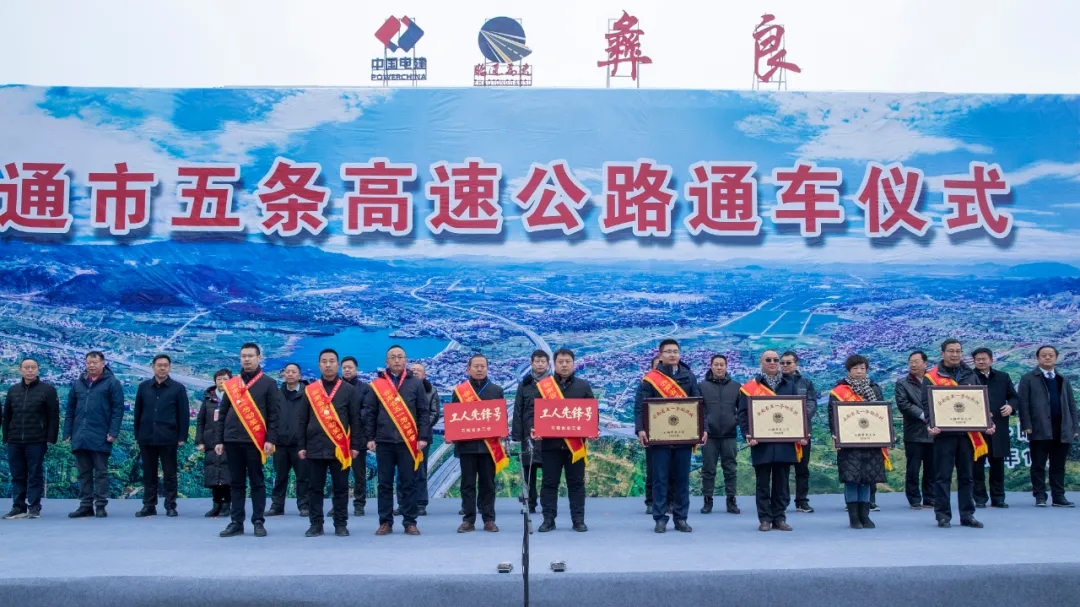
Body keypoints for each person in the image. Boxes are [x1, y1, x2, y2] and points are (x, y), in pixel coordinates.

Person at [521, 348, 594, 532]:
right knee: (549, 483)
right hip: (550, 445)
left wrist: (593, 429)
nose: (564, 365)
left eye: (568, 362)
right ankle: (548, 519)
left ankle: (578, 520)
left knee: (576, 484)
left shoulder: (583, 387)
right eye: (560, 362)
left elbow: (592, 414)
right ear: (554, 364)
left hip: (575, 447)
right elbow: (532, 412)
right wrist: (533, 427)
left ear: (573, 364)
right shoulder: (544, 387)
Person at [635, 339, 704, 533]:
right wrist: (640, 429)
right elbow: (640, 406)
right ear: (660, 355)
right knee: (660, 479)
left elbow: (700, 405)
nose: (672, 354)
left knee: (682, 479)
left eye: (675, 351)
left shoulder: (689, 377)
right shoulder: (650, 379)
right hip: (659, 438)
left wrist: (703, 428)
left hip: (683, 437)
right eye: (668, 351)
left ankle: (681, 518)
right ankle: (660, 518)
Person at [925, 338, 995, 528]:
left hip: (967, 435)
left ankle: (967, 514)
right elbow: (927, 405)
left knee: (967, 476)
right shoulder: (931, 377)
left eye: (958, 351)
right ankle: (943, 515)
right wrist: (930, 424)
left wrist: (987, 422)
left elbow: (979, 403)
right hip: (944, 435)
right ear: (943, 353)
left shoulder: (970, 374)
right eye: (951, 351)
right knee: (943, 477)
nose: (955, 354)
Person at [215, 342, 281, 538]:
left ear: (259, 358)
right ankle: (236, 522)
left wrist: (270, 439)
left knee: (257, 482)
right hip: (232, 439)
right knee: (236, 483)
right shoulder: (232, 384)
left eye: (250, 356)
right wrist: (219, 440)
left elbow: (274, 415)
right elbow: (223, 413)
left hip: (255, 441)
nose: (247, 359)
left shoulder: (269, 383)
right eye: (243, 356)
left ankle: (258, 521)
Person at [362, 345, 429, 536]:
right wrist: (370, 437)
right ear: (387, 361)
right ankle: (385, 522)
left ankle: (410, 521)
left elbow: (423, 412)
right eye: (393, 357)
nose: (397, 360)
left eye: (400, 357)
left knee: (409, 482)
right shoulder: (377, 385)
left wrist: (423, 437)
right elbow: (370, 412)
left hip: (408, 442)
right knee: (384, 484)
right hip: (384, 441)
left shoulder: (415, 383)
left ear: (406, 360)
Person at [738, 349, 807, 532]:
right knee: (762, 483)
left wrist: (800, 432)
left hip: (784, 442)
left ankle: (779, 517)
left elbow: (797, 412)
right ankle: (765, 519)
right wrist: (748, 434)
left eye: (776, 360)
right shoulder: (750, 387)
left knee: (782, 483)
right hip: (761, 443)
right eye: (768, 360)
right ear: (761, 363)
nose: (772, 363)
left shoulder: (789, 385)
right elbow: (743, 414)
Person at [298, 349, 363, 537]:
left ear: (338, 365)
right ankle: (316, 524)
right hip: (314, 447)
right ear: (319, 365)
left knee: (341, 489)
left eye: (332, 361)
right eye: (324, 361)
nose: (328, 365)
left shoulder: (349, 390)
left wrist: (355, 446)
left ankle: (340, 524)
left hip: (340, 449)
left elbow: (355, 420)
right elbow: (302, 420)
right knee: (314, 489)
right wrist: (301, 446)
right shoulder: (310, 390)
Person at [829, 355, 890, 529]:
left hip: (871, 439)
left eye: (862, 368)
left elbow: (882, 413)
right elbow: (832, 416)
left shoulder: (874, 389)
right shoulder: (839, 391)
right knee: (852, 478)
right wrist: (835, 435)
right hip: (849, 441)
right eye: (855, 368)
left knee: (867, 478)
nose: (859, 371)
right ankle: (854, 517)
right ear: (849, 370)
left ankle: (865, 515)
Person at [451, 354, 507, 533]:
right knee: (467, 484)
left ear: (487, 368)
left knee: (488, 484)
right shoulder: (459, 391)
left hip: (488, 447)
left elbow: (502, 417)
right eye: (476, 366)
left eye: (483, 366)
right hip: (467, 446)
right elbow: (454, 418)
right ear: (468, 369)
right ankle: (468, 520)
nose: (480, 369)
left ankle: (489, 519)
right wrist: (452, 433)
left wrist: (502, 432)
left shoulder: (496, 391)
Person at [64, 351, 124, 519]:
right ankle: (85, 505)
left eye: (95, 362)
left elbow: (118, 410)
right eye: (88, 362)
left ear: (103, 363)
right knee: (83, 473)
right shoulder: (78, 383)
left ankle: (100, 505)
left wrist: (113, 432)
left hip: (101, 435)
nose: (91, 365)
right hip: (80, 435)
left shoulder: (112, 383)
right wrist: (67, 431)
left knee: (100, 473)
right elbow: (70, 410)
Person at [1018, 345, 1079, 508]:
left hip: (1062, 428)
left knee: (1058, 465)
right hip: (1039, 427)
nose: (1047, 358)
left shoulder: (1062, 379)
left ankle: (1059, 497)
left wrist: (1074, 427)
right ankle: (1040, 496)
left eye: (1051, 355)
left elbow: (1072, 405)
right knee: (1038, 464)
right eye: (1044, 355)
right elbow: (1023, 404)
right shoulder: (1028, 378)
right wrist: (1026, 424)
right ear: (1037, 358)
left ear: (1056, 358)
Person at [2, 357, 60, 520]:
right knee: (17, 475)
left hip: (36, 440)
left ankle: (34, 507)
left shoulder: (48, 390)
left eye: (33, 367)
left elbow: (53, 416)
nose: (29, 370)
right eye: (26, 367)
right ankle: (18, 507)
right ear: (20, 370)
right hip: (14, 440)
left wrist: (51, 438)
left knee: (34, 474)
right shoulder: (13, 390)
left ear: (38, 370)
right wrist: (6, 437)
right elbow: (7, 416)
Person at [133, 354, 190, 518]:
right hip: (147, 437)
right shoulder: (143, 387)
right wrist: (137, 434)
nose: (162, 368)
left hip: (168, 437)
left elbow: (183, 414)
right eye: (159, 365)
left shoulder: (178, 388)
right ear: (153, 367)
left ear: (170, 367)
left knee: (170, 474)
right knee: (148, 473)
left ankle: (170, 505)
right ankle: (149, 505)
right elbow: (138, 412)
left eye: (165, 365)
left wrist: (182, 436)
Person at [971, 347, 1019, 508]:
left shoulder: (1002, 377)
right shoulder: (968, 377)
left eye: (984, 358)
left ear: (991, 360)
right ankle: (979, 498)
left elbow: (1014, 397)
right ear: (974, 361)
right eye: (978, 359)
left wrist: (1011, 406)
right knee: (977, 465)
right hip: (977, 429)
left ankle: (998, 498)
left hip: (999, 426)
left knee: (997, 464)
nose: (981, 361)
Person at [699, 354, 741, 515]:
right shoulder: (702, 386)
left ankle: (731, 501)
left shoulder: (736, 386)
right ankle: (707, 500)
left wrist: (734, 421)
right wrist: (705, 426)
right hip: (709, 435)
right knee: (708, 469)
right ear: (711, 366)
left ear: (726, 366)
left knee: (730, 469)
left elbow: (742, 410)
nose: (718, 367)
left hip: (729, 435)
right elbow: (699, 410)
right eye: (716, 364)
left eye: (721, 364)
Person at [267, 363, 310, 517]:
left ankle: (304, 505)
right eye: (287, 371)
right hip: (280, 444)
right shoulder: (276, 394)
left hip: (300, 445)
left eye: (294, 372)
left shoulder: (308, 394)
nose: (290, 374)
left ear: (299, 375)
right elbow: (271, 418)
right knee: (280, 476)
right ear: (283, 374)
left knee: (303, 477)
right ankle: (277, 506)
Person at [511, 349, 550, 515]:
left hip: (549, 435)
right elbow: (518, 410)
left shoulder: (553, 384)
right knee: (529, 471)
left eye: (543, 361)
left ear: (548, 364)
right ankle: (530, 503)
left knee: (549, 472)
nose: (540, 364)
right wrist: (517, 435)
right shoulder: (524, 384)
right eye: (537, 361)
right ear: (531, 363)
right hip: (528, 434)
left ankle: (548, 505)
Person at [780, 351, 819, 513]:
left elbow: (811, 403)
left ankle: (802, 501)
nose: (785, 365)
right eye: (782, 363)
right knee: (782, 469)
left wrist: (799, 420)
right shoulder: (777, 382)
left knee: (802, 469)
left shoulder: (806, 383)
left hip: (803, 431)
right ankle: (782, 502)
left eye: (788, 363)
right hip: (782, 431)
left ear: (796, 364)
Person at [398, 362, 439, 517]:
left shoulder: (431, 390)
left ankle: (421, 503)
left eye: (419, 370)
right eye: (413, 370)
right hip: (403, 437)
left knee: (420, 471)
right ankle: (402, 504)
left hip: (422, 437)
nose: (415, 372)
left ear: (424, 375)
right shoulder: (401, 388)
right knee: (402, 471)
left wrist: (420, 429)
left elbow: (434, 413)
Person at [895, 351, 934, 510]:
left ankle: (930, 498)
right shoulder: (902, 383)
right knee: (913, 468)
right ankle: (914, 499)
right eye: (911, 361)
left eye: (916, 361)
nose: (913, 364)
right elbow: (903, 404)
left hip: (934, 432)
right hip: (914, 432)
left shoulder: (933, 380)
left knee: (932, 468)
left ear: (925, 363)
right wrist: (923, 415)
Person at [195, 369, 232, 517]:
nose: (222, 382)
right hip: (210, 441)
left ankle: (227, 505)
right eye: (219, 379)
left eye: (225, 379)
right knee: (213, 473)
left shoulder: (235, 398)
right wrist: (200, 441)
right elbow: (200, 421)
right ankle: (216, 504)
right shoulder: (209, 399)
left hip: (228, 440)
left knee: (227, 473)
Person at [642, 354, 676, 515]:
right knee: (653, 470)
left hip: (672, 432)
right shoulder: (646, 384)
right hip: (653, 433)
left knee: (671, 470)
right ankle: (650, 501)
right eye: (657, 366)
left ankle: (669, 501)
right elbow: (640, 408)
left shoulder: (674, 387)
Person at [341, 356, 369, 516]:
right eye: (344, 367)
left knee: (359, 474)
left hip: (358, 437)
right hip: (339, 437)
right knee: (340, 474)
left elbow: (367, 410)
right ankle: (338, 504)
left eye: (350, 367)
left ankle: (359, 504)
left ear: (356, 369)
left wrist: (351, 419)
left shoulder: (365, 388)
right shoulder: (336, 388)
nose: (347, 370)